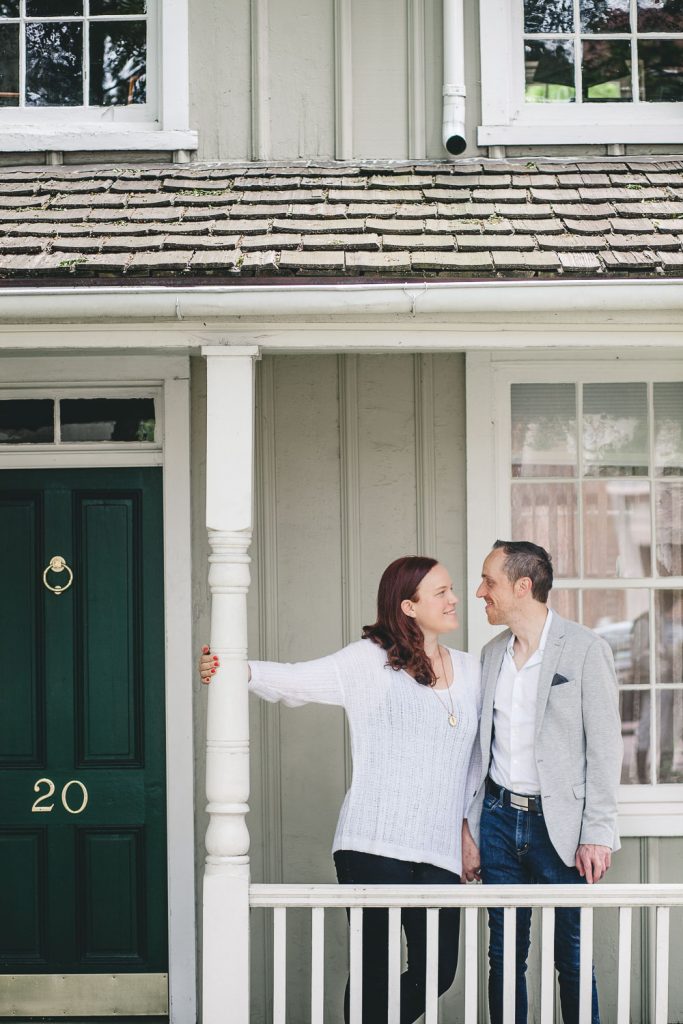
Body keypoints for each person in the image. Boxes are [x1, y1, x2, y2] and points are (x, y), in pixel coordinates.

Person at [200, 556, 481, 1024]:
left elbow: (475, 765)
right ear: (409, 607)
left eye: (452, 589)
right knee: (374, 970)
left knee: (438, 971)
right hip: (372, 844)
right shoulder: (369, 661)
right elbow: (296, 680)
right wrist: (236, 668)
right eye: (441, 593)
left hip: (438, 850)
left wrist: (466, 830)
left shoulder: (472, 672)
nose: (454, 599)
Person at [462, 540, 623, 1024]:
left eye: (489, 582)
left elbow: (606, 746)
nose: (479, 592)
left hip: (564, 830)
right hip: (497, 822)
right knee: (505, 957)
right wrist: (470, 828)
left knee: (571, 957)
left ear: (522, 586)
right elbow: (478, 752)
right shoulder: (490, 655)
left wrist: (597, 831)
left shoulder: (585, 648)